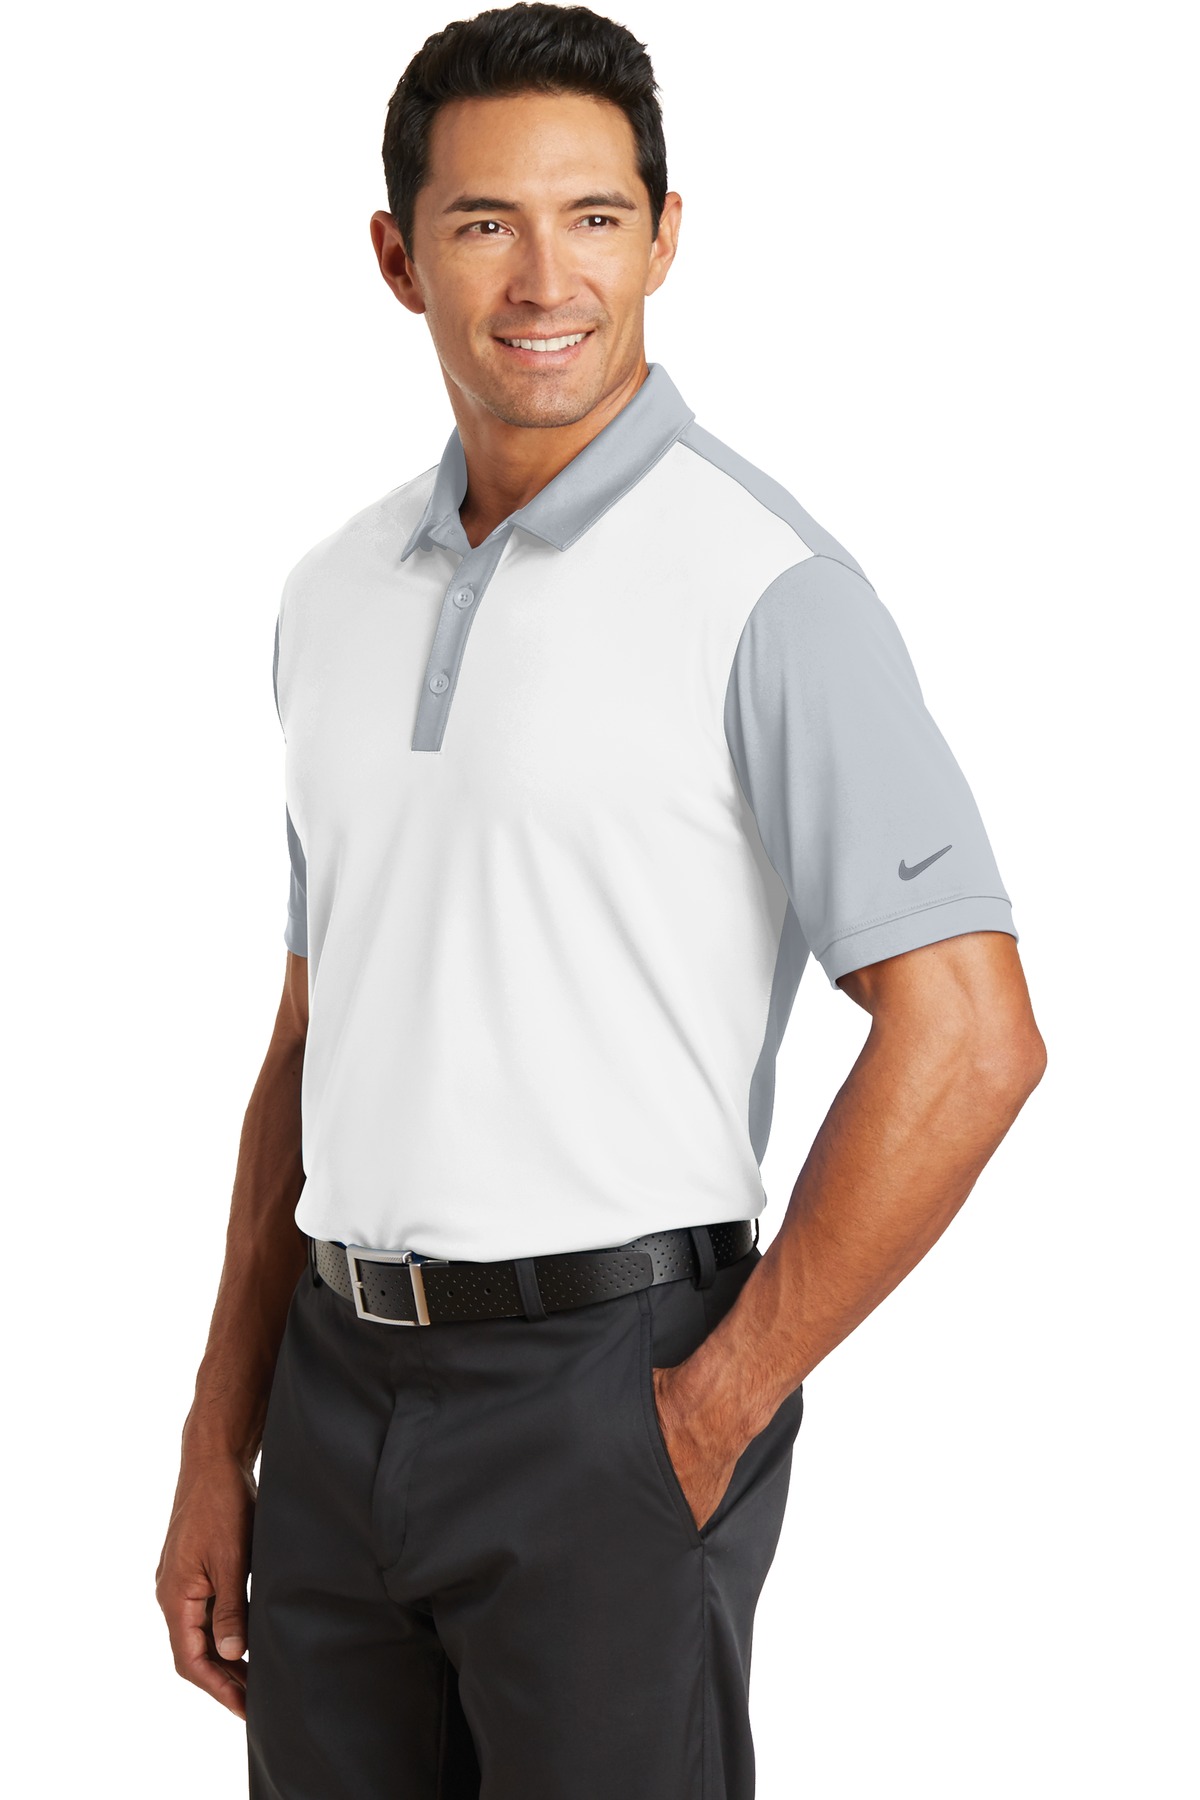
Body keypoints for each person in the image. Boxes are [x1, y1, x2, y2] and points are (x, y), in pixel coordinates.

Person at [155, 6, 1047, 1796]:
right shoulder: (331, 593)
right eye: (486, 221)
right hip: (332, 1396)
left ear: (664, 237)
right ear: (399, 257)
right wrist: (215, 1435)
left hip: (609, 1389)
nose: (545, 276)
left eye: (594, 217)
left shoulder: (768, 590)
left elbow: (971, 1040)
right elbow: (316, 1035)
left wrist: (706, 1416)